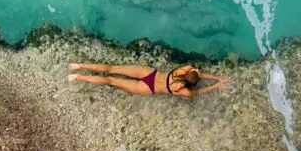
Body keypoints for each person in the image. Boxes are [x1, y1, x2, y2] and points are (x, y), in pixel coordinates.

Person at [67, 62, 232, 97]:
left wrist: (216, 77)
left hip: (150, 74)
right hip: (147, 87)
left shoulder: (183, 69)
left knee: (112, 69)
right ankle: (79, 77)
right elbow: (198, 91)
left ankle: (79, 66)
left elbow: (198, 72)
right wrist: (216, 85)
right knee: (111, 81)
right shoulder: (183, 91)